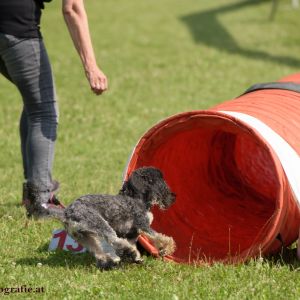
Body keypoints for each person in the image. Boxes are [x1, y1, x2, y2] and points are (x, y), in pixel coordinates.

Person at [0, 0, 108, 217]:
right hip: (16, 28)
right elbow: (73, 8)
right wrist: (91, 67)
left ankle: (33, 191)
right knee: (44, 112)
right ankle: (40, 201)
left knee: (34, 103)